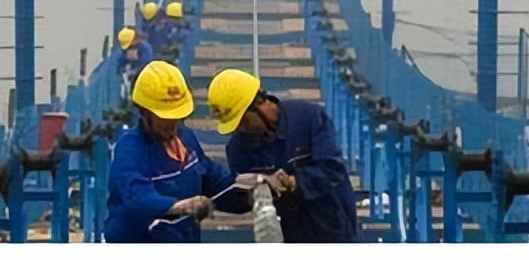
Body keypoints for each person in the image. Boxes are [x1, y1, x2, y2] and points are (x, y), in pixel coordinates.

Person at [105, 61, 253, 242]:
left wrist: (252, 191)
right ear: (145, 113)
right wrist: (179, 207)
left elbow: (213, 179)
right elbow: (136, 196)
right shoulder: (130, 149)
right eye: (165, 117)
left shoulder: (186, 139)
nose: (173, 124)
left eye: (177, 116)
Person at [206, 69, 358, 243]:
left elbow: (332, 168)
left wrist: (294, 182)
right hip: (291, 233)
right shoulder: (239, 147)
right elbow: (241, 196)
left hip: (335, 227)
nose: (242, 130)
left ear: (259, 104)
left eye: (244, 122)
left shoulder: (309, 118)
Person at [118, 27, 155, 99]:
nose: (130, 48)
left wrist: (136, 62)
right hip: (129, 81)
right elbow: (120, 64)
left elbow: (146, 65)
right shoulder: (125, 51)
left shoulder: (145, 48)